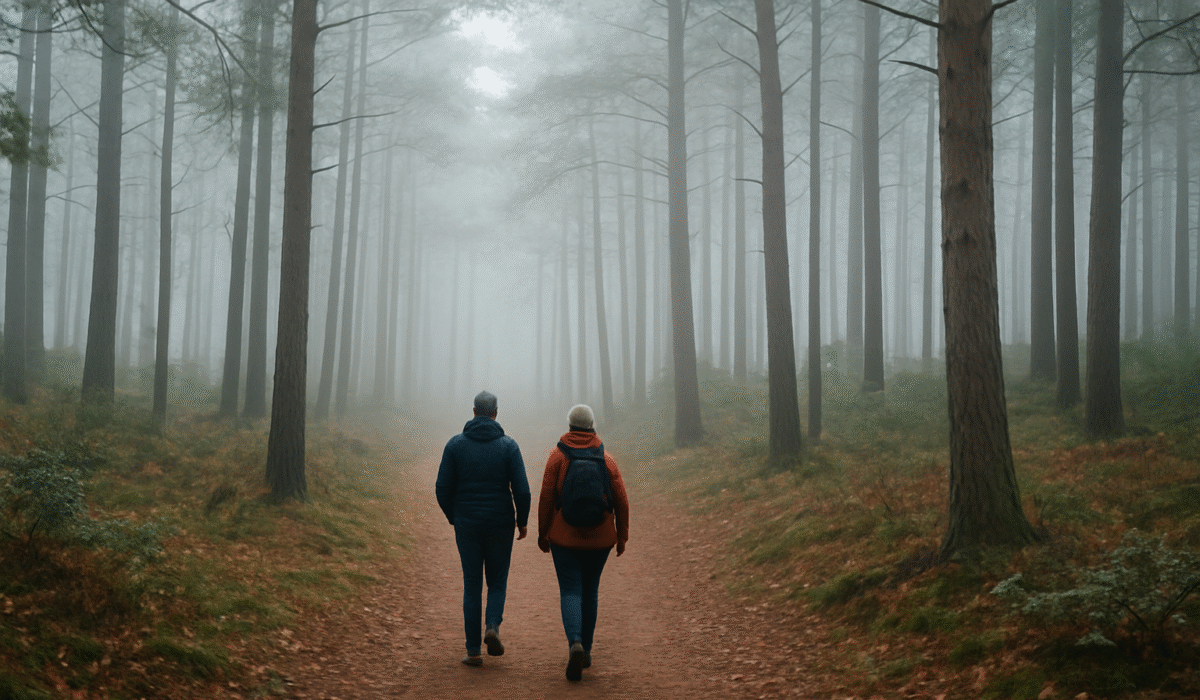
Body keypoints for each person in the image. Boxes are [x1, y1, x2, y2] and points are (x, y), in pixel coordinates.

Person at [435, 390, 531, 667]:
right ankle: (492, 626)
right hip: (500, 523)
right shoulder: (509, 447)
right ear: (496, 413)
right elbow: (522, 490)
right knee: (497, 581)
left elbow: (442, 488)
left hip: (467, 524)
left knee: (472, 584)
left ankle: (473, 650)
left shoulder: (455, 445)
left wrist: (454, 516)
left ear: (474, 411)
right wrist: (522, 521)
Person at [537, 404, 630, 682]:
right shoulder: (606, 459)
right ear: (592, 426)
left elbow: (546, 497)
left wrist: (543, 533)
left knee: (570, 591)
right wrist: (622, 536)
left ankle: (575, 642)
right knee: (590, 591)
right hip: (600, 539)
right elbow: (622, 500)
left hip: (564, 537)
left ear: (569, 426)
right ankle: (586, 651)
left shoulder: (557, 456)